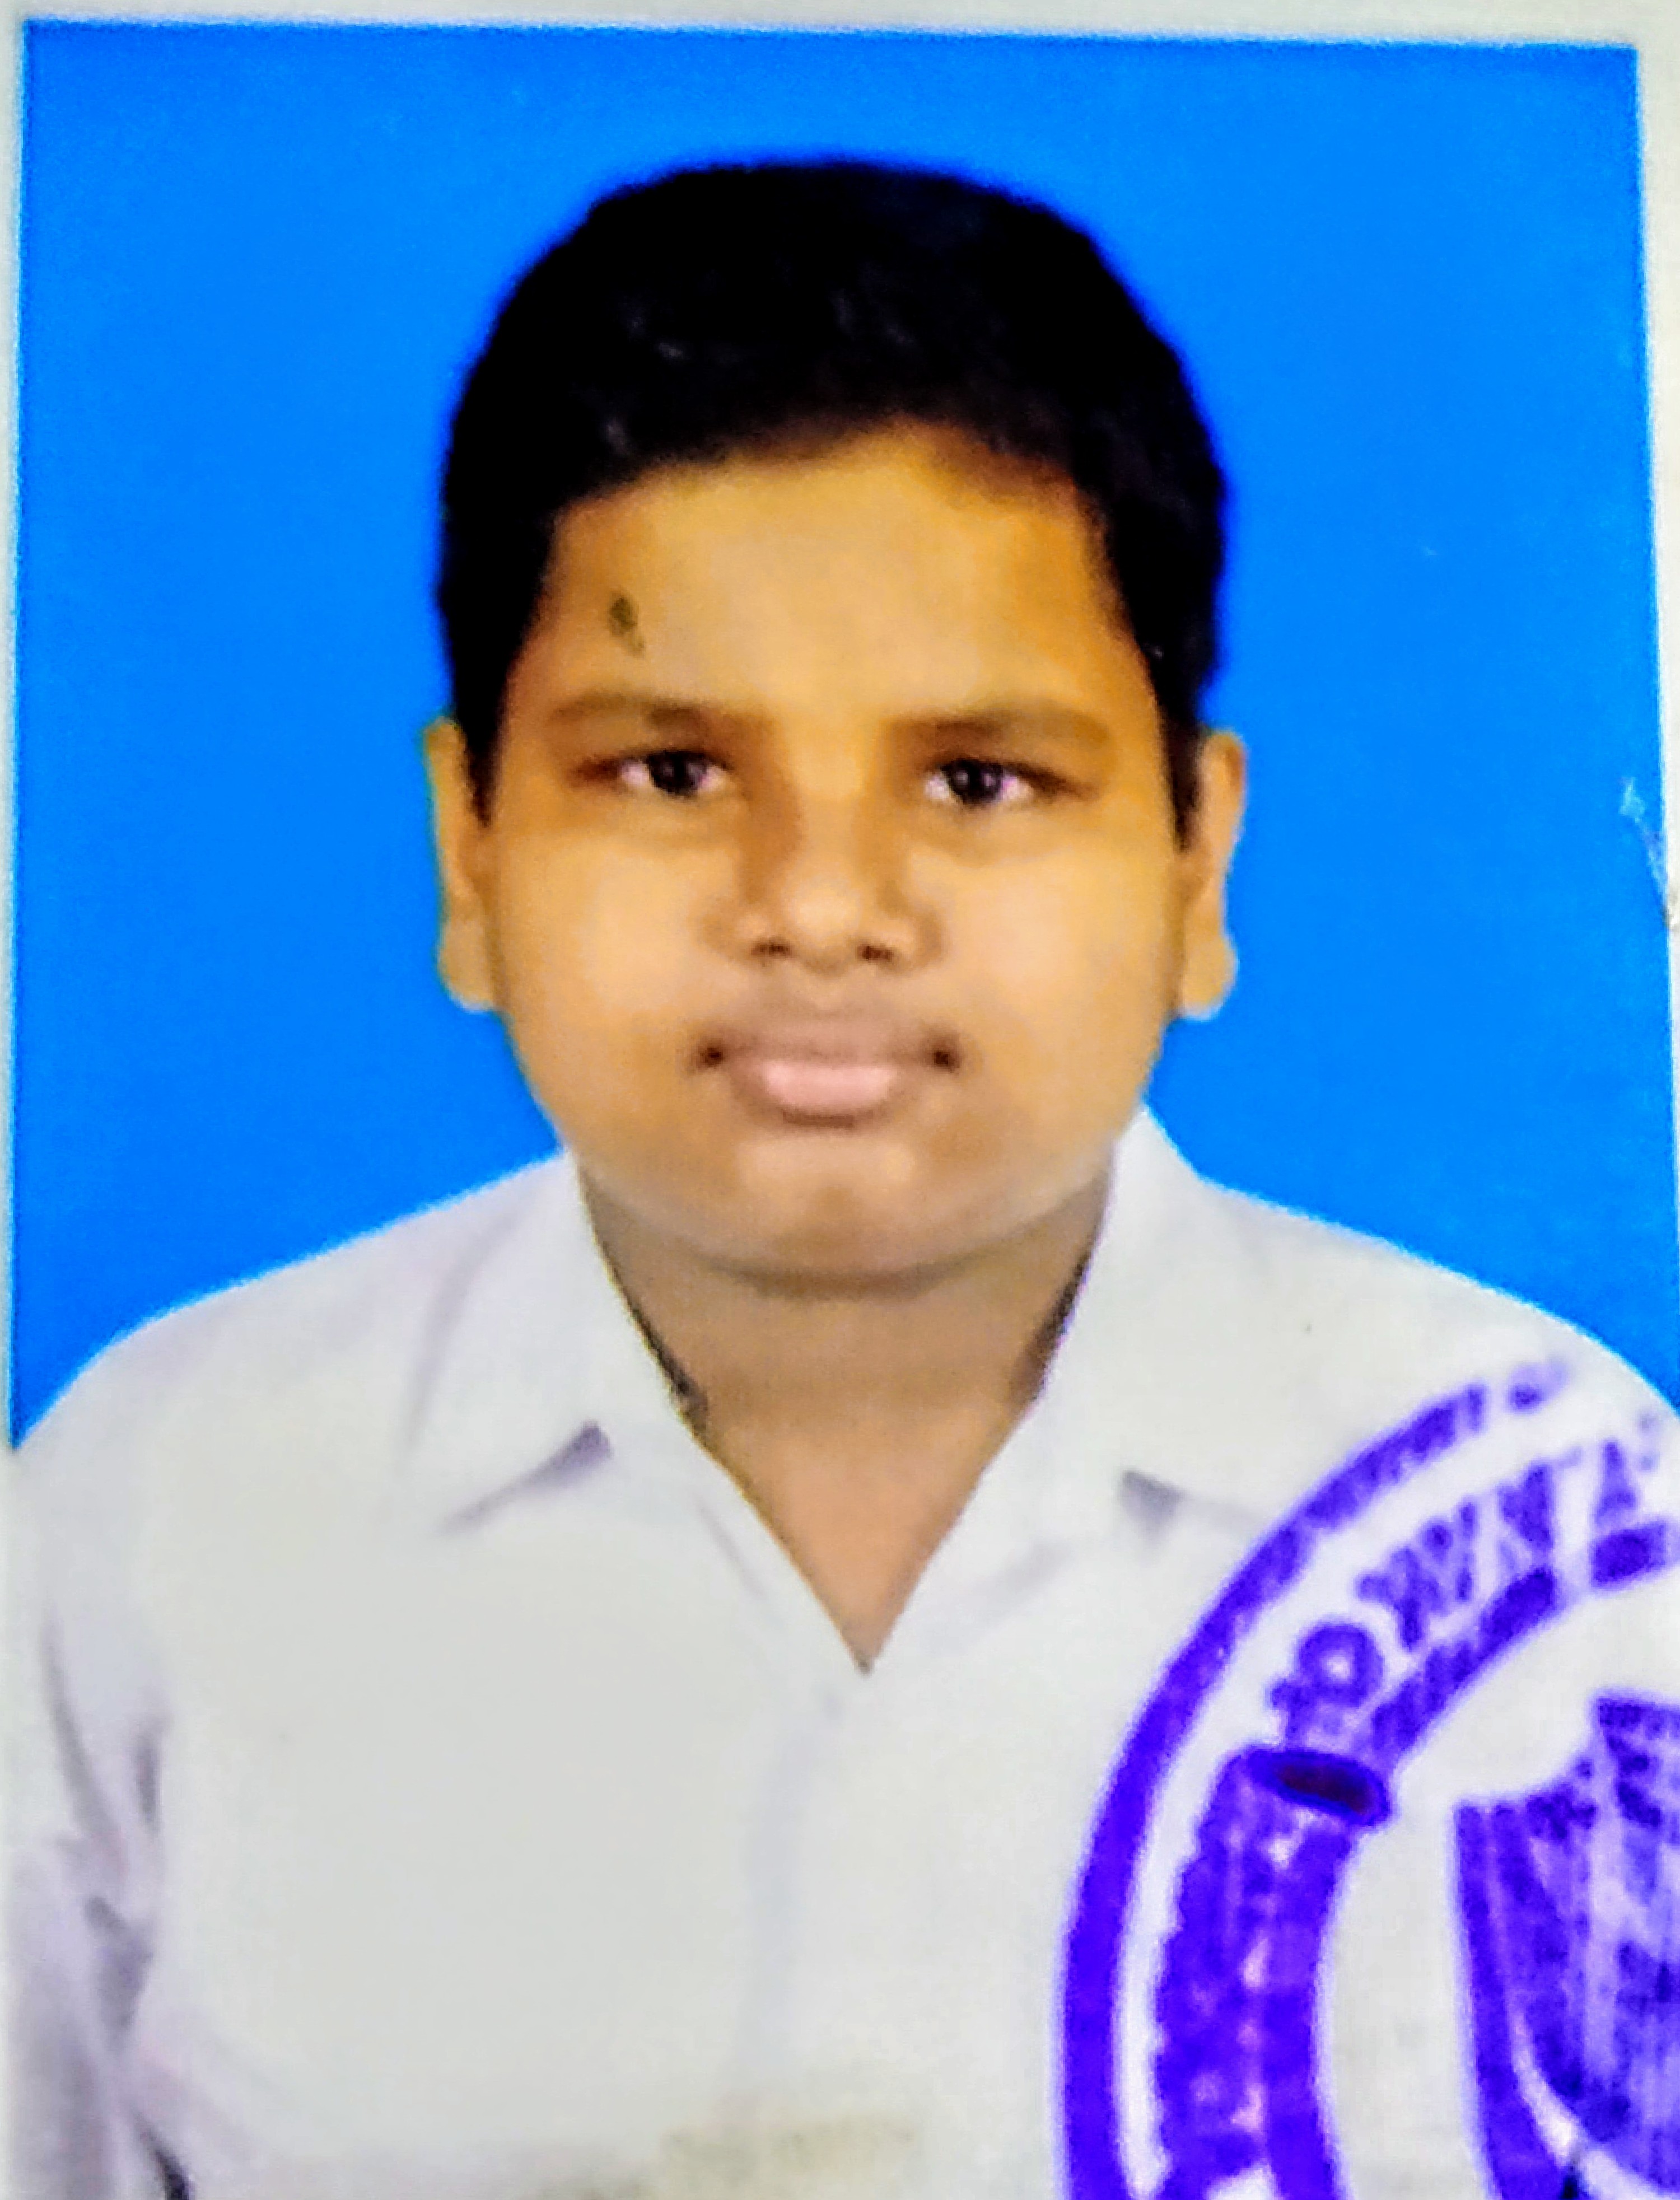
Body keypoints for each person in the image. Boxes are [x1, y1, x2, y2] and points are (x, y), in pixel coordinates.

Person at [10, 159, 1676, 2200]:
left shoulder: (1549, 1519)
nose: (819, 908)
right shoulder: (154, 1523)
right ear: (469, 851)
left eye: (979, 780)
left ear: (1195, 859)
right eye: (673, 772)